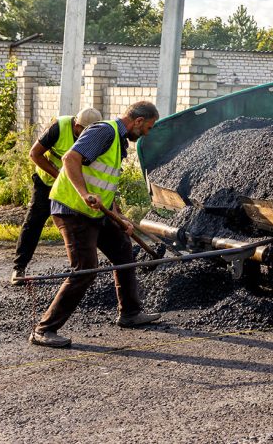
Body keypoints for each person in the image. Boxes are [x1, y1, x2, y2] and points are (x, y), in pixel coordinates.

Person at [29, 101, 162, 348]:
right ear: (138, 121)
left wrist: (118, 217)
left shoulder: (118, 141)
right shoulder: (105, 131)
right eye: (149, 127)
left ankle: (130, 313)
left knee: (123, 251)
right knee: (85, 268)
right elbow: (71, 158)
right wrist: (82, 194)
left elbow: (103, 183)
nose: (147, 133)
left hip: (95, 212)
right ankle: (44, 329)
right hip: (73, 209)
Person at [10, 108, 102, 285]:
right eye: (81, 132)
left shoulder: (98, 135)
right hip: (47, 183)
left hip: (74, 186)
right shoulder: (58, 127)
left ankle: (85, 269)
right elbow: (34, 154)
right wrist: (59, 175)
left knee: (83, 223)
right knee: (34, 222)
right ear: (76, 124)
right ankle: (19, 267)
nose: (84, 136)